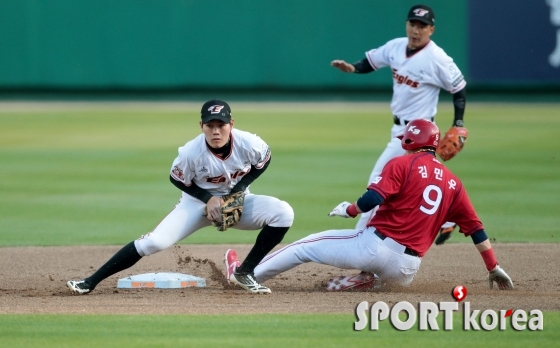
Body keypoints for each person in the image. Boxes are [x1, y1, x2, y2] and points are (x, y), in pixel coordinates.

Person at [225, 119, 513, 292]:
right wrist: (493, 266)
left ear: (412, 140)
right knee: (383, 275)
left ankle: (245, 273)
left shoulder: (402, 163)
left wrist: (350, 210)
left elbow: (373, 199)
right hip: (406, 270)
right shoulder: (454, 183)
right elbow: (475, 229)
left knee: (306, 245)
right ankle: (367, 280)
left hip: (375, 248)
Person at [67, 99, 294, 295]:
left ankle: (244, 272)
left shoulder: (249, 143)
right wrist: (208, 198)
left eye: (221, 125)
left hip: (236, 201)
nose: (216, 131)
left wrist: (240, 189)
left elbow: (264, 159)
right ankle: (90, 282)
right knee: (155, 242)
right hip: (195, 204)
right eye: (210, 125)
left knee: (283, 213)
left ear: (231, 124)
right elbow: (177, 179)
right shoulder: (190, 152)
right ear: (201, 126)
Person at [331, 4, 466, 244]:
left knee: (378, 181)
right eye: (413, 24)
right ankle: (447, 217)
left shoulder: (438, 59)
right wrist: (352, 68)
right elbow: (370, 63)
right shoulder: (395, 47)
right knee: (417, 184)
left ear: (431, 30)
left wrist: (458, 123)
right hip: (400, 129)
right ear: (407, 24)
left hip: (419, 132)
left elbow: (459, 89)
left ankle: (358, 239)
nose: (416, 30)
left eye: (422, 26)